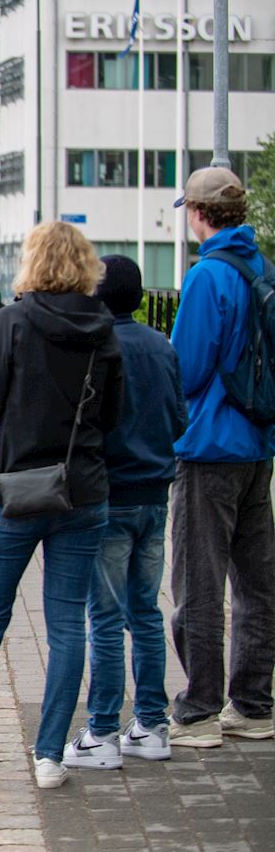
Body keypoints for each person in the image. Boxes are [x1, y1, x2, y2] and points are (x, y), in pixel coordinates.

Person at [0, 220, 123, 792]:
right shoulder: (103, 327)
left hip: (14, 489)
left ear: (33, 262)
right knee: (66, 625)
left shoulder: (14, 318)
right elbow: (112, 417)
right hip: (82, 491)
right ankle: (49, 759)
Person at [64, 254, 187, 770]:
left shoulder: (95, 345)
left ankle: (102, 733)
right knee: (146, 613)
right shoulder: (161, 345)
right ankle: (153, 726)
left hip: (109, 495)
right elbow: (179, 416)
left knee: (106, 619)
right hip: (155, 495)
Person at [167, 167, 275, 747]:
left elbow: (185, 366)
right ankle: (254, 706)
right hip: (259, 446)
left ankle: (201, 709)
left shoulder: (208, 276)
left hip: (208, 447)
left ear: (200, 213)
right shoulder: (263, 269)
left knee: (199, 582)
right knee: (258, 582)